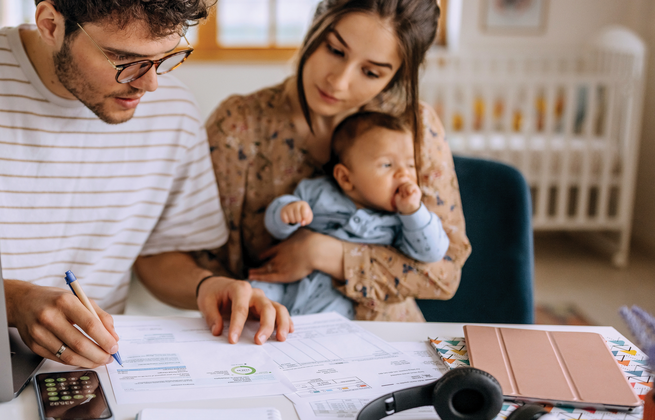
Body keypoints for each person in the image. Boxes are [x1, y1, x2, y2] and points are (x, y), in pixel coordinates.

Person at [0, 0, 293, 369]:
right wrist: (15, 302)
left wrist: (205, 287)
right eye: (124, 61)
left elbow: (161, 255)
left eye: (165, 57)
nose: (151, 83)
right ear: (51, 24)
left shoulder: (173, 109)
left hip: (94, 371)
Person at [197, 0, 472, 322]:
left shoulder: (416, 126)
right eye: (335, 50)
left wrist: (325, 253)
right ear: (316, 24)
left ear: (397, 76)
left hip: (387, 340)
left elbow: (445, 273)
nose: (338, 81)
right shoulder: (238, 125)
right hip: (269, 333)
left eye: (370, 72)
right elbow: (197, 264)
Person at [253, 111, 450, 317]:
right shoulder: (319, 192)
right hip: (288, 283)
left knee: (328, 324)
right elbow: (276, 229)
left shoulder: (402, 221)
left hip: (336, 296)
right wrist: (286, 212)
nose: (404, 174)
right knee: (255, 294)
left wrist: (413, 212)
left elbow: (432, 252)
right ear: (346, 178)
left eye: (411, 165)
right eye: (387, 165)